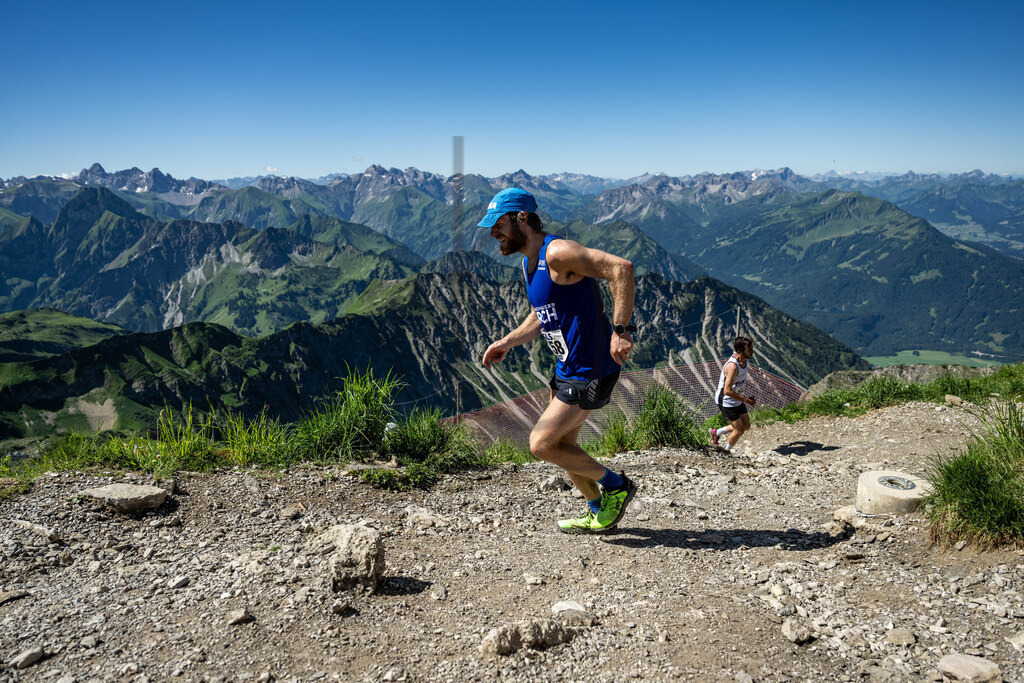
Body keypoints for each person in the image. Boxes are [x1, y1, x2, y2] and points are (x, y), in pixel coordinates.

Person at [479, 187, 638, 534]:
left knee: (541, 444)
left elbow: (620, 269)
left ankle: (616, 486)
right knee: (563, 446)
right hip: (567, 368)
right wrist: (508, 341)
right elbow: (542, 315)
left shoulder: (558, 252)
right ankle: (597, 509)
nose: (493, 233)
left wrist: (621, 330)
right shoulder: (528, 263)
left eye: (498, 224)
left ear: (522, 218)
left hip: (591, 368)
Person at [709, 336, 757, 452]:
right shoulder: (732, 366)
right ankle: (726, 452)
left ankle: (716, 432)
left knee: (746, 426)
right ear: (740, 351)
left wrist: (744, 398)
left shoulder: (743, 360)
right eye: (749, 349)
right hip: (726, 401)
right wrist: (746, 400)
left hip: (737, 399)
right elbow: (727, 391)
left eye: (751, 348)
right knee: (739, 430)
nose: (752, 352)